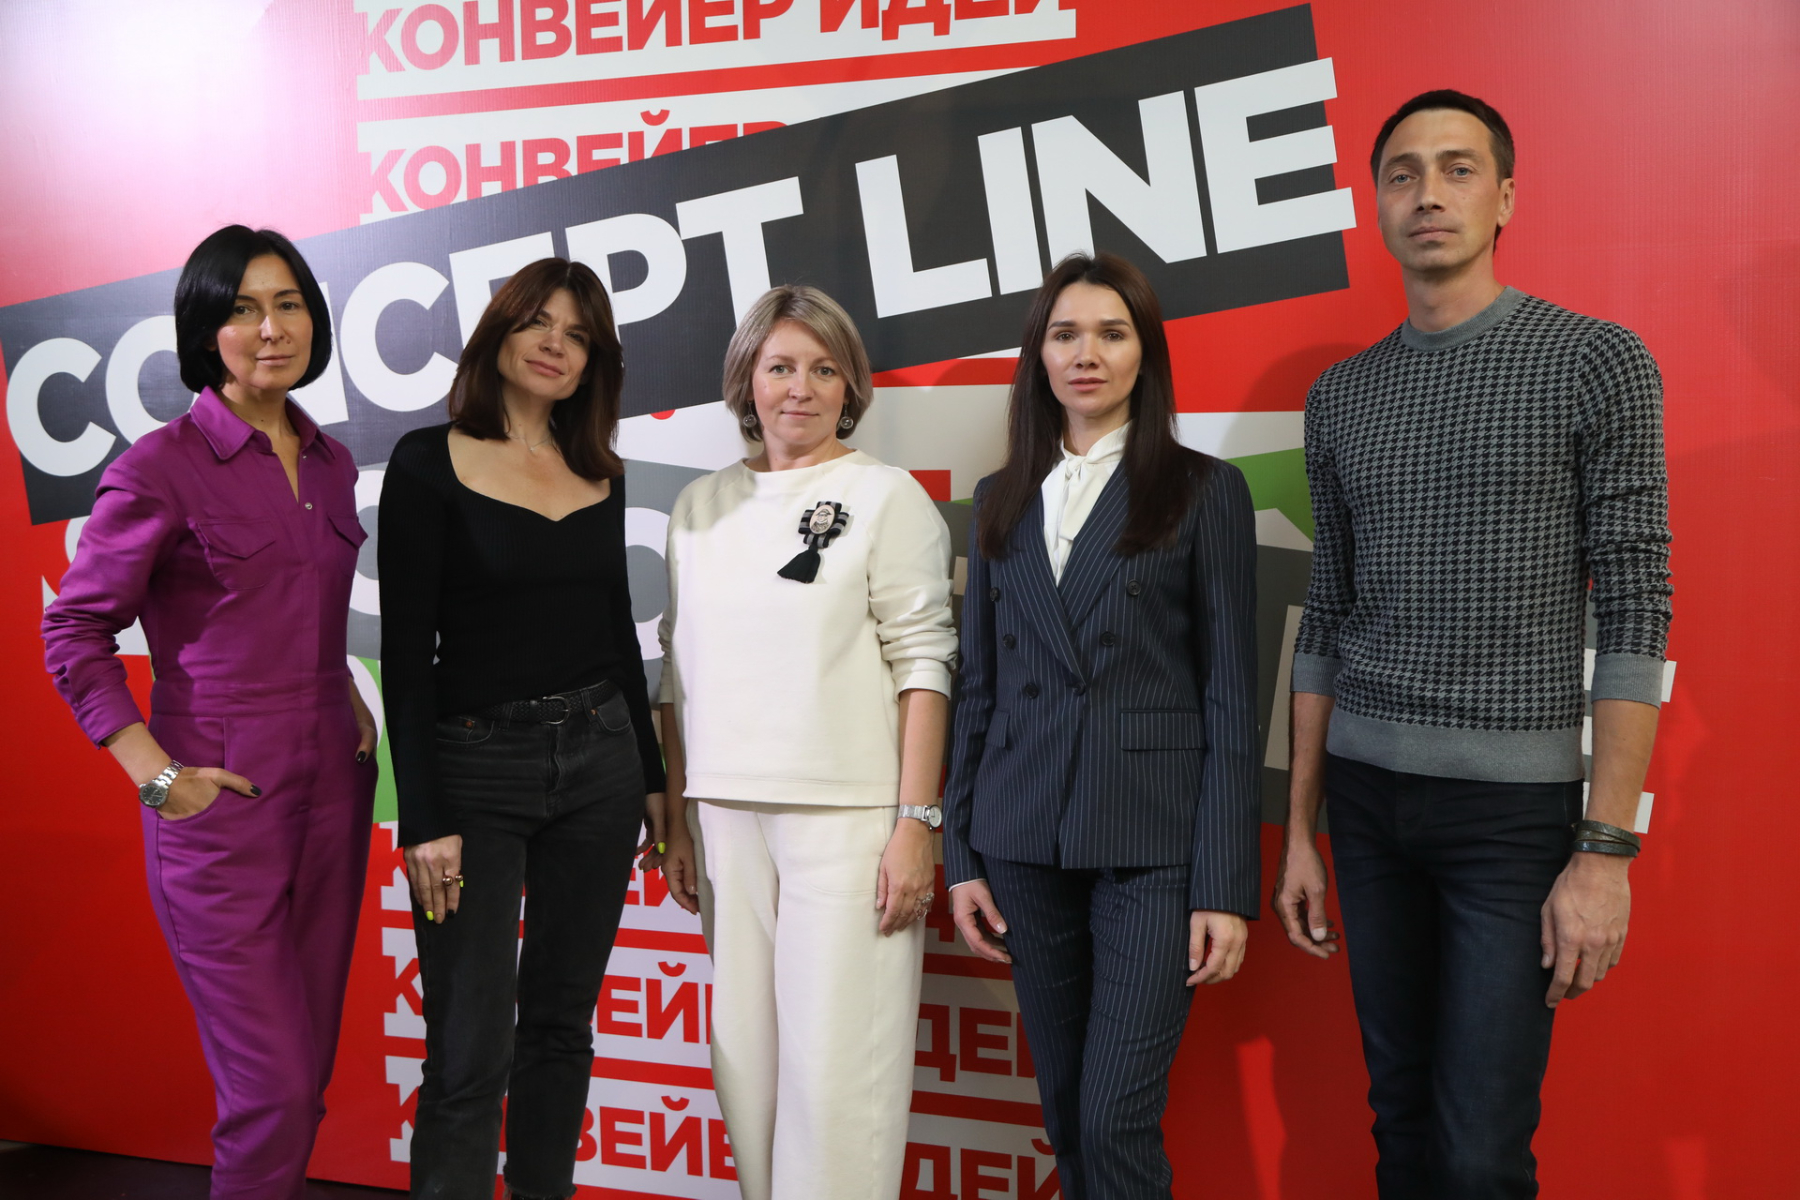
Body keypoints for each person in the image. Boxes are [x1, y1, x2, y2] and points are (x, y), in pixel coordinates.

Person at [1272, 91, 1671, 1199]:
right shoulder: (1341, 396)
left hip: (1513, 819)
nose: (1428, 194)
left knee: (1480, 1152)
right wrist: (1300, 831)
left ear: (1505, 198)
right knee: (1399, 1126)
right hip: (1366, 803)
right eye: (1402, 173)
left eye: (1457, 169)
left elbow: (1637, 609)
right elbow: (1329, 616)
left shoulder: (1595, 360)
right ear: (1376, 203)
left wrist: (1605, 851)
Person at [41, 225, 378, 1200]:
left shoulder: (331, 461)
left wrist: (342, 684)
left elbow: (292, 602)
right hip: (222, 802)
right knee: (272, 1091)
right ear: (204, 331)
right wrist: (155, 777)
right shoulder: (160, 466)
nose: (271, 328)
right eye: (242, 309)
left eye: (289, 304)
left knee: (306, 1076)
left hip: (334, 789)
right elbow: (75, 630)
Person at [942, 252, 1262, 1200]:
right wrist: (961, 855)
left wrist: (1224, 885)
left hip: (1151, 847)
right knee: (1065, 1113)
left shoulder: (1202, 489)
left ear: (1144, 353)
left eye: (1112, 334)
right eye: (1065, 334)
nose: (1087, 354)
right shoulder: (998, 497)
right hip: (1022, 840)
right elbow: (978, 689)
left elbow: (1231, 696)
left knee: (1114, 1117)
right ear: (1039, 357)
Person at [654, 285, 956, 1200]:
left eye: (824, 369)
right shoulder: (698, 506)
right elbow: (677, 673)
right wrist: (677, 816)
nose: (801, 388)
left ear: (850, 385)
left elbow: (925, 664)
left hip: (848, 823)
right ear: (747, 379)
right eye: (781, 366)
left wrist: (916, 822)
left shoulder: (886, 497)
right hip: (724, 818)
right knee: (746, 1068)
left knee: (838, 1080)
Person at [377, 258, 667, 1200]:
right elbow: (406, 656)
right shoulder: (427, 461)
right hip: (474, 772)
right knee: (468, 1050)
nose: (554, 344)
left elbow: (617, 635)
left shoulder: (599, 471)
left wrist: (652, 777)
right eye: (539, 322)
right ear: (499, 333)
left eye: (578, 335)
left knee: (560, 1028)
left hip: (600, 765)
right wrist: (422, 818)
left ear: (594, 363)